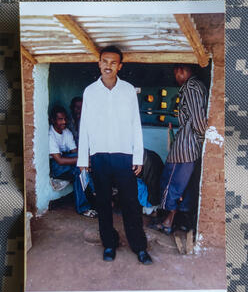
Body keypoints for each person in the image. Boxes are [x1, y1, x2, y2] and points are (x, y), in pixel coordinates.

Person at [77, 45, 152, 265]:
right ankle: (109, 244)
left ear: (119, 66)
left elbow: (135, 125)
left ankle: (139, 247)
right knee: (103, 202)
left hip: (124, 156)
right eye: (104, 61)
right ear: (99, 63)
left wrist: (137, 157)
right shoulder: (90, 91)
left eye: (113, 62)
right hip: (99, 156)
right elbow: (85, 126)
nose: (108, 66)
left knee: (130, 202)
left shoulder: (128, 90)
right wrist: (84, 159)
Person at [150, 65, 208, 234]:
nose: (176, 74)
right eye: (175, 71)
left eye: (178, 70)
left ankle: (167, 223)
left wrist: (198, 136)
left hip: (185, 146)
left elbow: (198, 119)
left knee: (171, 183)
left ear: (184, 71)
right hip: (192, 145)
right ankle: (181, 223)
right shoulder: (198, 85)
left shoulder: (191, 86)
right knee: (184, 186)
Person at [49, 105, 97, 218]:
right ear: (53, 120)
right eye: (60, 119)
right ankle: (86, 204)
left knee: (80, 168)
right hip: (56, 167)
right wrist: (84, 161)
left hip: (69, 163)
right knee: (80, 167)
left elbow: (76, 153)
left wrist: (84, 162)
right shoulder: (50, 135)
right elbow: (59, 161)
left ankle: (95, 194)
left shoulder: (67, 132)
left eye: (65, 119)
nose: (64, 122)